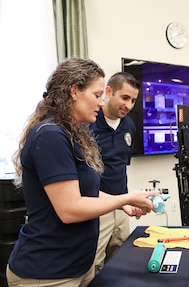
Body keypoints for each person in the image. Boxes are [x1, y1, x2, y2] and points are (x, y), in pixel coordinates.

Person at [6, 58, 157, 287]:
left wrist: (121, 203)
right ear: (74, 91)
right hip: (48, 272)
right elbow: (70, 209)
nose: (100, 102)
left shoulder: (73, 135)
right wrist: (126, 198)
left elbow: (88, 191)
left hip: (76, 265)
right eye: (97, 95)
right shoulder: (50, 136)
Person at [89, 71, 140, 275]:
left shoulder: (129, 126)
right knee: (94, 262)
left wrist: (125, 201)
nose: (128, 105)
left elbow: (121, 165)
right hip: (96, 205)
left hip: (122, 203)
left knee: (120, 256)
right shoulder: (89, 123)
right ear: (108, 92)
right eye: (125, 97)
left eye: (133, 100)